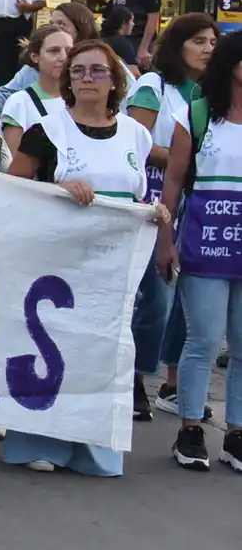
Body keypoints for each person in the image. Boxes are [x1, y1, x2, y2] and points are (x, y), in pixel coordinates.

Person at [6, 40, 153, 476]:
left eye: (97, 71)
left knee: (103, 350)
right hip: (57, 262)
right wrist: (60, 190)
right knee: (53, 348)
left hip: (113, 264)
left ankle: (93, 447)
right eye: (78, 71)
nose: (87, 78)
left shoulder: (136, 134)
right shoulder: (47, 130)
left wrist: (155, 212)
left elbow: (138, 196)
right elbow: (12, 187)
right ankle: (38, 440)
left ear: (115, 80)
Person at [156, 29, 242, 474]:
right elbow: (172, 182)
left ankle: (237, 432)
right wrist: (165, 240)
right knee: (204, 338)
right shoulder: (197, 115)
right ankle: (190, 427)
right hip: (205, 245)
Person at [127, 12, 217, 421]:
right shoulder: (154, 86)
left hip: (193, 207)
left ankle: (173, 384)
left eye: (213, 42)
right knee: (156, 298)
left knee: (187, 303)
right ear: (177, 44)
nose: (208, 49)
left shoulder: (209, 94)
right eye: (199, 41)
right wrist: (185, 154)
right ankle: (135, 377)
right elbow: (137, 141)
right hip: (152, 201)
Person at [0, 24, 73, 158]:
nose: (63, 57)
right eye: (54, 51)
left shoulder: (81, 99)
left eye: (69, 51)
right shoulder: (19, 103)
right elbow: (12, 168)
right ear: (35, 57)